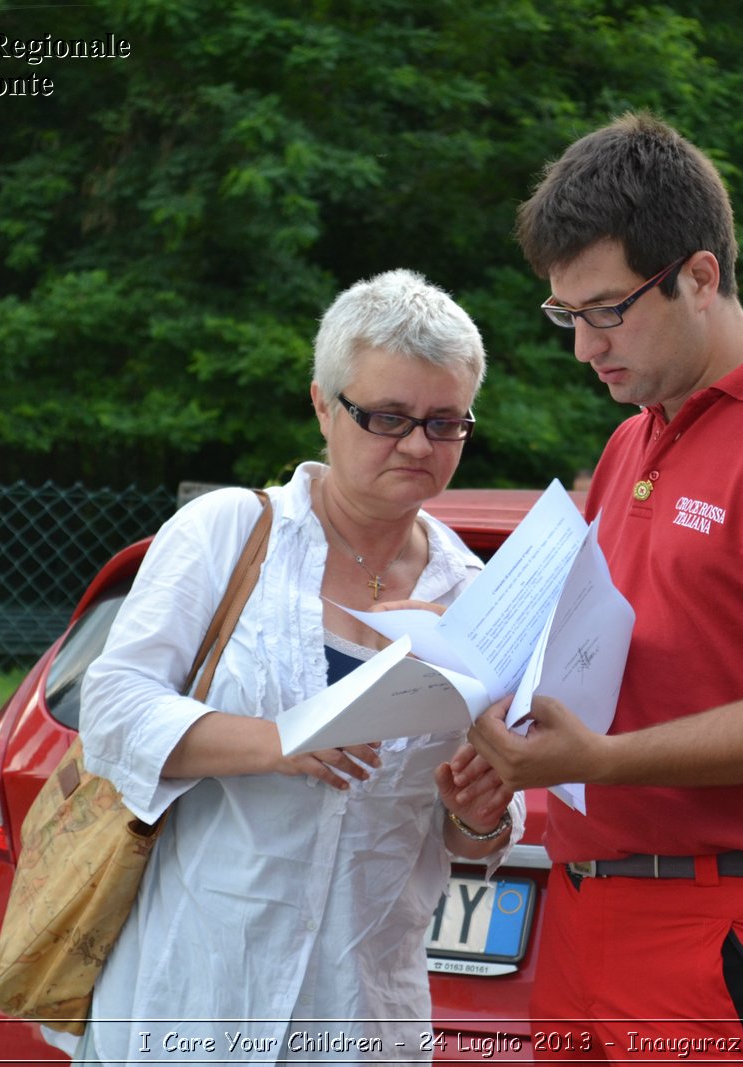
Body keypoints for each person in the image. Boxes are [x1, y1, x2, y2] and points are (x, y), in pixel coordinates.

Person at [467, 113, 743, 1057]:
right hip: (585, 912)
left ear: (699, 278)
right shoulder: (634, 435)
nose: (584, 348)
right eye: (566, 316)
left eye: (606, 311)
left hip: (723, 921)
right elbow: (601, 658)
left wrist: (596, 760)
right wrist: (500, 744)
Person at [69, 269, 522, 1063]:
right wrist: (278, 740)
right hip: (195, 1001)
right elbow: (110, 708)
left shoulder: (477, 597)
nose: (417, 444)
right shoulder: (228, 532)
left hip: (357, 1016)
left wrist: (479, 808)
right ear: (323, 403)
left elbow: (473, 837)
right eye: (388, 416)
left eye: (446, 423)